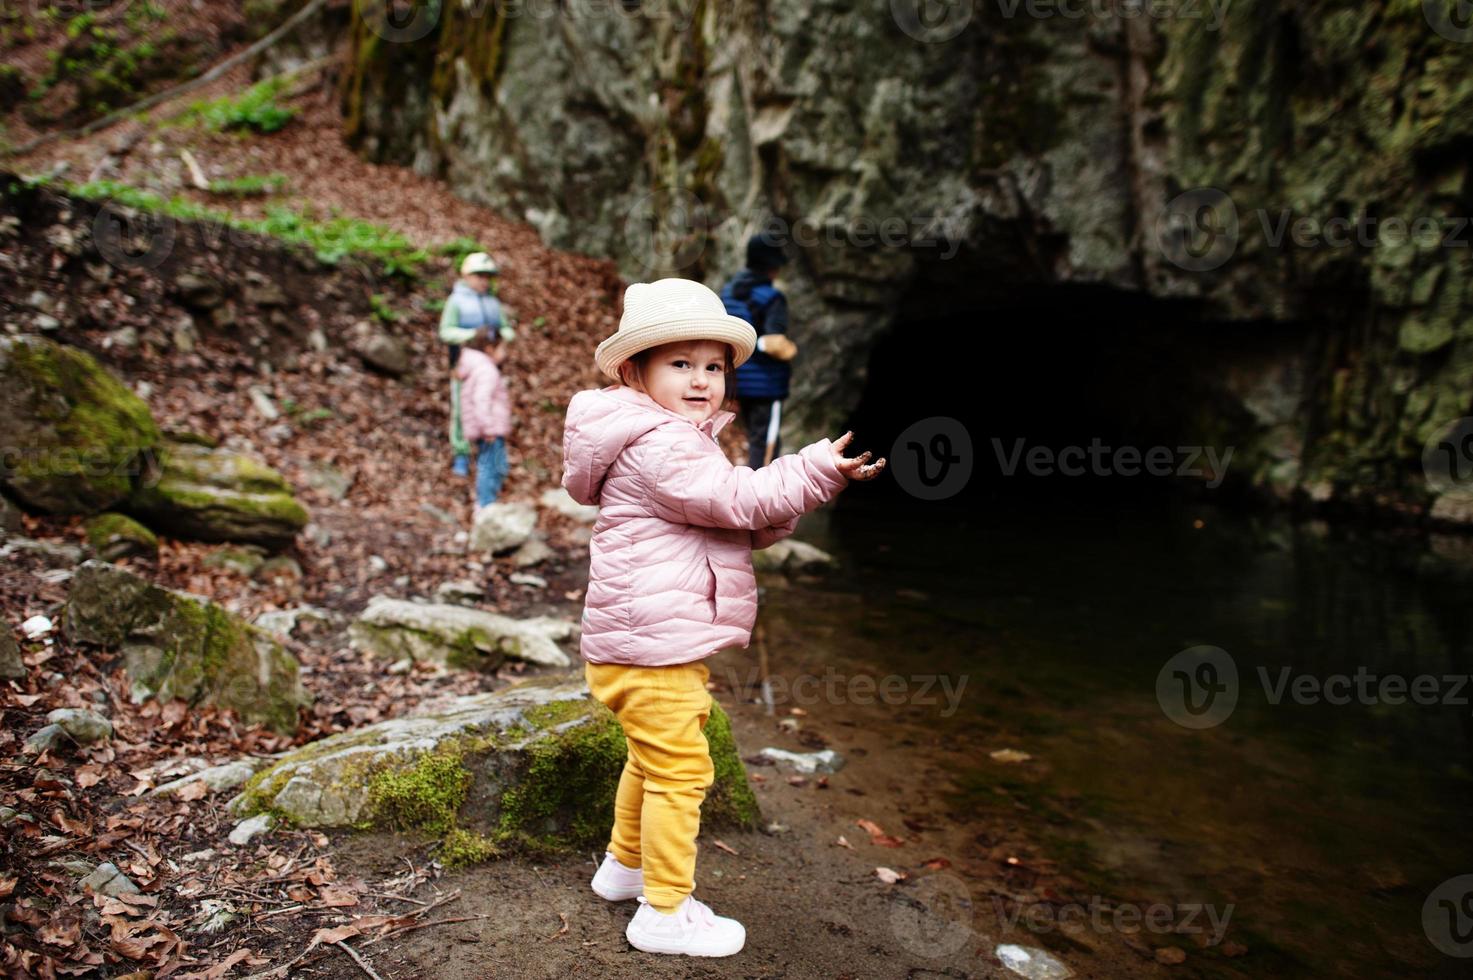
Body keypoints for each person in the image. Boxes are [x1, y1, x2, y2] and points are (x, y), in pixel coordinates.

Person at [560, 277, 885, 958]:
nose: (702, 379)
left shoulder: (662, 436)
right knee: (682, 771)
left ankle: (624, 869)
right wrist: (815, 468)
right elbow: (733, 499)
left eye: (713, 366)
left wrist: (788, 493)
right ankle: (664, 912)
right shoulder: (660, 443)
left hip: (642, 641)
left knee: (653, 761)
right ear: (634, 370)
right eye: (680, 364)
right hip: (648, 645)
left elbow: (733, 519)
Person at [720, 232, 799, 469]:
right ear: (772, 266)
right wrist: (789, 350)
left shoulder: (727, 293)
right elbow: (774, 343)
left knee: (748, 437)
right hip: (766, 384)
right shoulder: (772, 298)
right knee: (765, 443)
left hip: (735, 379)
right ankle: (761, 498)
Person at [439, 252, 506, 476]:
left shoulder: (493, 303)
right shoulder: (456, 301)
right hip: (464, 364)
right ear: (467, 276)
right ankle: (461, 453)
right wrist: (470, 334)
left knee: (488, 405)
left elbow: (505, 328)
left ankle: (485, 451)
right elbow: (445, 331)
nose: (484, 280)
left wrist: (502, 338)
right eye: (479, 275)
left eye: (487, 276)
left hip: (490, 364)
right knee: (462, 407)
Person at [456, 330, 511, 508]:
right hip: (490, 430)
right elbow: (480, 400)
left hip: (488, 428)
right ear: (489, 349)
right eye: (502, 349)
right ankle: (486, 505)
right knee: (490, 468)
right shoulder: (487, 370)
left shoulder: (478, 368)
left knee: (496, 466)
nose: (505, 353)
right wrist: (487, 428)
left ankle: (488, 502)